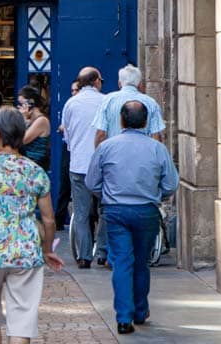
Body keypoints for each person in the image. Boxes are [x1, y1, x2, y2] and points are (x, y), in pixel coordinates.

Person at [0, 106, 64, 344]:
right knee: (22, 319)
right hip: (25, 250)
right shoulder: (35, 172)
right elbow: (48, 219)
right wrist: (47, 250)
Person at [86, 101, 179, 335]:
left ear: (121, 121)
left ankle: (124, 317)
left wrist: (107, 195)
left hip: (116, 211)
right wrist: (156, 194)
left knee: (122, 261)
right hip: (146, 209)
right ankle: (139, 309)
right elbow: (171, 183)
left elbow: (91, 182)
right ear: (146, 122)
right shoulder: (158, 149)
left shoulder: (106, 147)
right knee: (141, 261)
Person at [61, 67, 106, 267]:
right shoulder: (105, 101)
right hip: (102, 165)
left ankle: (85, 256)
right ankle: (103, 251)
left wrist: (75, 149)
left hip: (78, 163)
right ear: (96, 81)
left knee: (80, 212)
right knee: (105, 208)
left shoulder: (71, 103)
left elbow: (67, 134)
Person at [93, 64, 165, 146]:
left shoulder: (107, 100)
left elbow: (101, 134)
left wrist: (99, 155)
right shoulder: (151, 103)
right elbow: (156, 136)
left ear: (119, 83)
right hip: (143, 155)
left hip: (115, 154)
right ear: (140, 84)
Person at [54, 79, 78, 229]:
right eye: (72, 90)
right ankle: (60, 218)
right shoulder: (70, 104)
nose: (74, 93)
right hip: (69, 147)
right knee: (65, 184)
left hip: (80, 147)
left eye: (76, 90)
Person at [17, 85, 50, 170]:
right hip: (26, 163)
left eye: (22, 104)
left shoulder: (41, 120)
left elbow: (22, 140)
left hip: (36, 164)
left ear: (31, 103)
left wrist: (23, 119)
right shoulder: (30, 119)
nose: (19, 107)